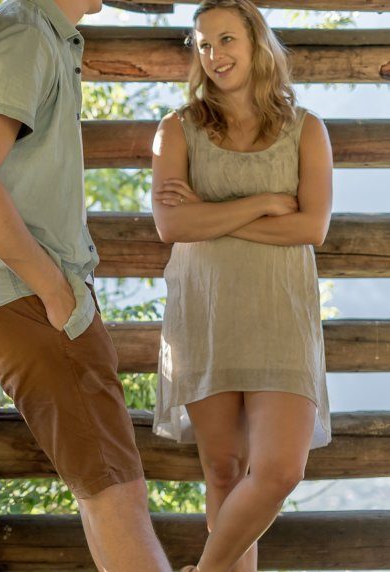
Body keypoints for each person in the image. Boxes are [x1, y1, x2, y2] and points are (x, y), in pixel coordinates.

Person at [0, 0, 171, 570]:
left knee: (107, 491)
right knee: (116, 494)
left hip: (35, 302)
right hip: (32, 302)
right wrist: (56, 292)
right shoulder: (25, 34)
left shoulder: (42, 36)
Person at [150, 1, 333, 570]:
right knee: (224, 471)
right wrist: (263, 205)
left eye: (226, 40)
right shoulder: (176, 129)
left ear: (257, 43)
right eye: (203, 45)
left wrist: (216, 212)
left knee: (280, 470)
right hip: (204, 312)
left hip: (281, 315)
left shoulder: (306, 129)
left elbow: (311, 227)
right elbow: (173, 226)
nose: (214, 56)